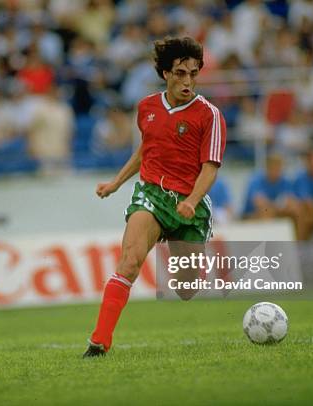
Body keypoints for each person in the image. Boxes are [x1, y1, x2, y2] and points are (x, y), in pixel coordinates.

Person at [83, 37, 226, 357]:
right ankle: (99, 342)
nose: (187, 80)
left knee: (186, 289)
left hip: (191, 206)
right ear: (165, 73)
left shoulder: (210, 115)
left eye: (193, 73)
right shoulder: (147, 107)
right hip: (151, 194)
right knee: (129, 262)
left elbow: (210, 168)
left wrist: (191, 200)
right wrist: (116, 183)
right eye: (180, 73)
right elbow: (146, 150)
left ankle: (196, 260)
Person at [242, 154, 310, 240]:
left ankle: (298, 244)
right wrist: (278, 205)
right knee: (266, 212)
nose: (276, 171)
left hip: (276, 212)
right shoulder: (256, 180)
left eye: (278, 168)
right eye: (273, 168)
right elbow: (259, 203)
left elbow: (292, 201)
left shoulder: (285, 181)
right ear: (267, 168)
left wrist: (279, 206)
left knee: (297, 212)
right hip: (252, 216)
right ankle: (266, 248)